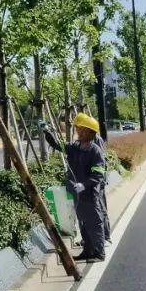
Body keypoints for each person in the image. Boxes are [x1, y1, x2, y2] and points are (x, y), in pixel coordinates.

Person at [41, 112, 108, 262]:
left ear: (90, 132)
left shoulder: (95, 151)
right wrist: (47, 131)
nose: (78, 131)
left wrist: (84, 185)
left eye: (82, 129)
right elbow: (57, 145)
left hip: (89, 193)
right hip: (77, 194)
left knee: (94, 223)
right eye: (78, 128)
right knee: (83, 223)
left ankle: (99, 253)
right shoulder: (74, 147)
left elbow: (98, 175)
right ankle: (88, 251)